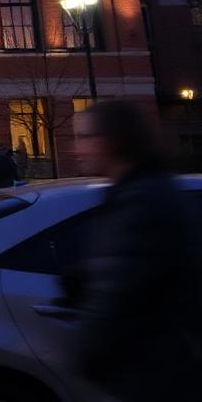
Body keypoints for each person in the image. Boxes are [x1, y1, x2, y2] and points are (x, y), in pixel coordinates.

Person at [65, 99, 202, 401]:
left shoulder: (140, 202)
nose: (76, 148)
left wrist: (87, 353)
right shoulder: (138, 193)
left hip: (156, 378)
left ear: (111, 141)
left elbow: (118, 294)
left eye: (85, 138)